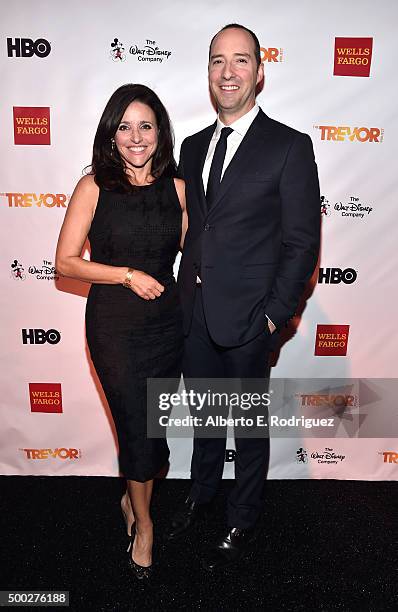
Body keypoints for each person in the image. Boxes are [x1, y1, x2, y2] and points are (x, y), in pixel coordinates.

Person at [165, 24, 320, 570]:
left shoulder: (289, 146)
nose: (226, 72)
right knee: (205, 419)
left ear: (259, 71)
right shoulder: (190, 146)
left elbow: (302, 243)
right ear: (208, 72)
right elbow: (192, 228)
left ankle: (243, 515)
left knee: (248, 428)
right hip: (195, 314)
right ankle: (202, 495)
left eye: (239, 61)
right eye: (216, 61)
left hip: (252, 319)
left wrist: (276, 316)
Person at [56, 84, 187, 580]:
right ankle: (146, 526)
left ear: (160, 132)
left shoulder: (177, 190)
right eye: (124, 126)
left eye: (146, 125)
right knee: (136, 423)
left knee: (149, 428)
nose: (136, 137)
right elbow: (65, 262)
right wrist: (126, 274)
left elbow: (197, 257)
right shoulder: (94, 188)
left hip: (166, 325)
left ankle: (132, 502)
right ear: (111, 133)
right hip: (114, 325)